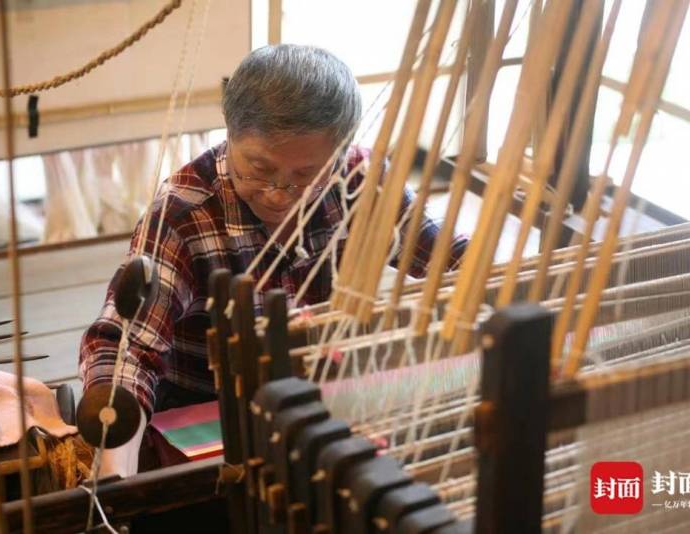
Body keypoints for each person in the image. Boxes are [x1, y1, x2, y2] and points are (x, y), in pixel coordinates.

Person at [79, 44, 468, 477]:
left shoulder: (360, 180)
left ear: (341, 151)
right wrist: (116, 471)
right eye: (258, 169)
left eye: (306, 175)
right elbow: (127, 348)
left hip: (320, 395)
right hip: (204, 414)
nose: (280, 193)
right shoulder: (183, 214)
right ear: (230, 132)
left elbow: (452, 258)